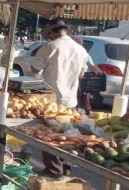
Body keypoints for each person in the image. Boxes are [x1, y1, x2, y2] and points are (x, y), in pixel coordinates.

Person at [31, 20, 89, 177]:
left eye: (49, 34)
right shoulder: (81, 50)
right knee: (67, 137)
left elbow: (34, 68)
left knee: (50, 138)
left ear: (53, 32)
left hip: (52, 102)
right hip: (71, 102)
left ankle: (53, 170)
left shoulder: (51, 46)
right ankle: (66, 168)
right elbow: (81, 74)